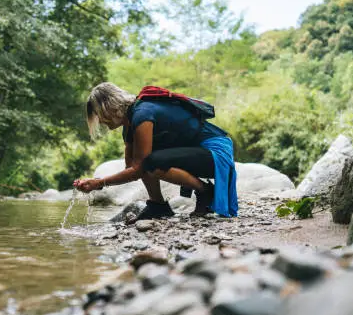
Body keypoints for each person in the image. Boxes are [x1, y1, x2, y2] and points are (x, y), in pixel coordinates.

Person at [73, 82, 237, 220]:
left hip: (215, 152)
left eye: (98, 115)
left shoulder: (142, 113)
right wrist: (98, 183)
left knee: (150, 163)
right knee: (146, 162)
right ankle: (158, 206)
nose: (100, 121)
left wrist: (99, 183)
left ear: (108, 107)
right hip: (195, 152)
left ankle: (206, 191)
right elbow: (131, 167)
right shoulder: (129, 124)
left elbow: (138, 169)